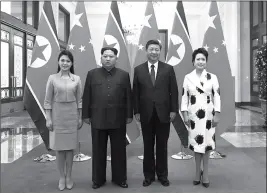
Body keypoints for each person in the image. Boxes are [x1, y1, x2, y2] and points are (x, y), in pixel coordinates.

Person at [82, 47, 132, 189]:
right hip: (98, 119)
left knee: (119, 151)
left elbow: (129, 96)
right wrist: (86, 115)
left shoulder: (124, 75)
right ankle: (98, 180)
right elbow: (87, 95)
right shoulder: (92, 74)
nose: (108, 58)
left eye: (111, 56)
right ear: (101, 58)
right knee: (98, 151)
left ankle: (120, 179)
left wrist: (129, 115)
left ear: (116, 58)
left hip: (118, 119)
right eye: (105, 56)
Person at [133, 40, 178, 187]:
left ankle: (163, 175)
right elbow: (136, 93)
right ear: (146, 51)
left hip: (164, 113)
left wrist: (173, 110)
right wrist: (137, 111)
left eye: (157, 49)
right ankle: (148, 176)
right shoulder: (138, 69)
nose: (154, 52)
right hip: (145, 114)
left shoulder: (168, 69)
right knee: (147, 146)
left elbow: (174, 92)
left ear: (160, 51)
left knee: (162, 146)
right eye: (151, 49)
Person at [181, 48, 221, 188]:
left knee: (207, 145)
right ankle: (197, 172)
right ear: (193, 61)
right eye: (198, 59)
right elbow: (184, 97)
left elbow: (217, 96)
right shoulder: (188, 77)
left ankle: (206, 174)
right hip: (194, 117)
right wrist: (185, 114)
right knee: (196, 144)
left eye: (203, 59)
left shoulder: (212, 77)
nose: (200, 61)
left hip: (209, 117)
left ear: (206, 62)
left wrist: (217, 113)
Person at [44, 50, 83, 191]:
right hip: (57, 116)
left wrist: (79, 117)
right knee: (59, 149)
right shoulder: (52, 78)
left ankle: (69, 177)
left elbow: (80, 100)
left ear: (71, 63)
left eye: (68, 61)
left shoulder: (77, 79)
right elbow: (48, 100)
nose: (65, 63)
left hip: (72, 116)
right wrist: (48, 118)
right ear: (58, 62)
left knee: (70, 149)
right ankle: (61, 176)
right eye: (62, 60)